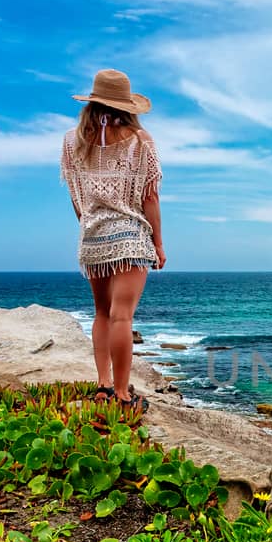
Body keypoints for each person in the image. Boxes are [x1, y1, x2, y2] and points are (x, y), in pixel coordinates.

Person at [61, 69, 166, 411]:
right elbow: (150, 198)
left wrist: (90, 225)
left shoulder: (72, 142)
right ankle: (122, 394)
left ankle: (103, 386)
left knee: (102, 313)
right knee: (123, 316)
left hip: (92, 238)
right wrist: (159, 243)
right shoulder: (140, 141)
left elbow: (76, 198)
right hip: (131, 238)